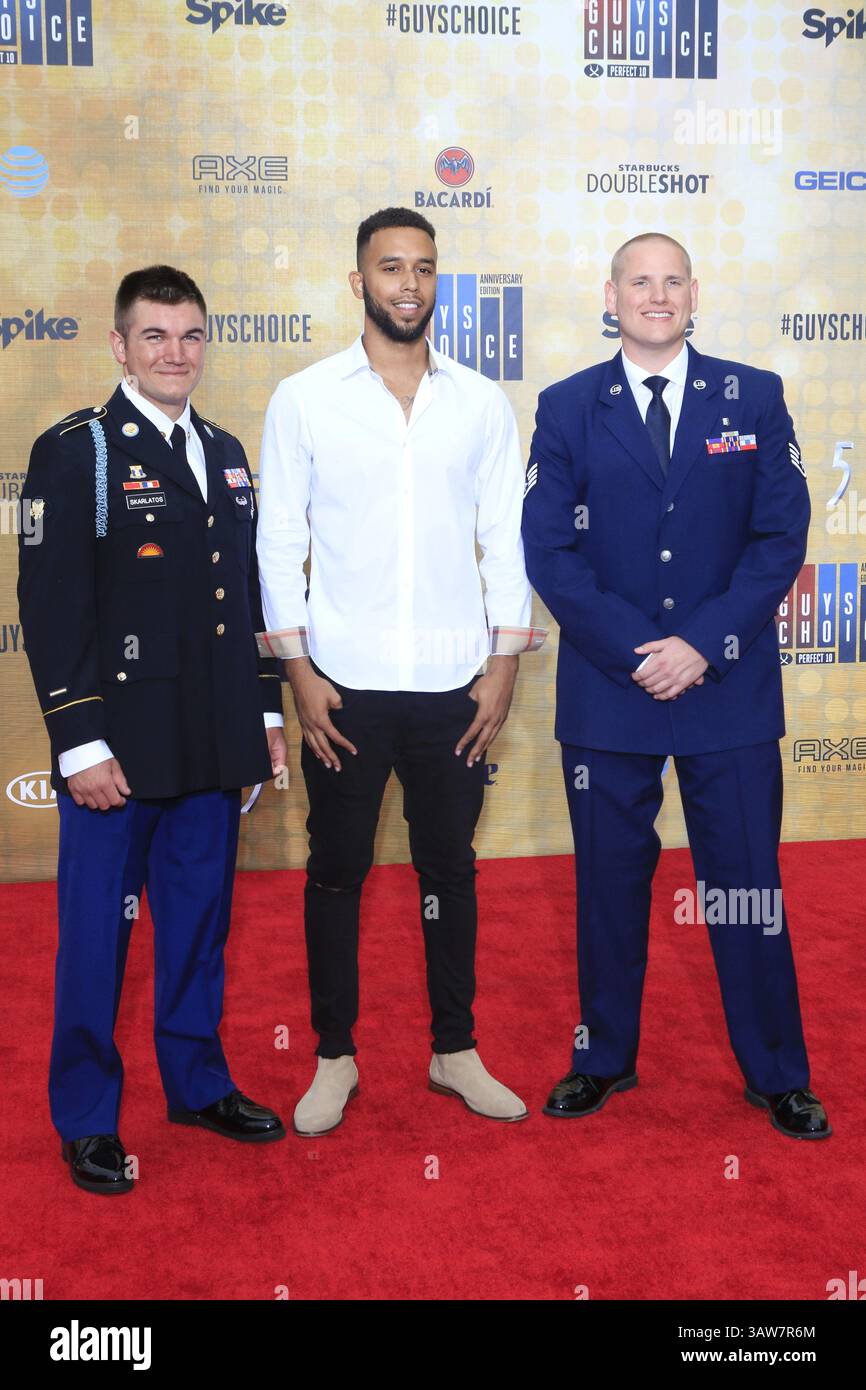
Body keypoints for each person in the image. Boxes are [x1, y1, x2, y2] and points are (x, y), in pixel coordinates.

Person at [521, 232, 830, 1139]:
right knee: (608, 885)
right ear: (609, 295)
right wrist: (637, 649)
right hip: (609, 693)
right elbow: (551, 550)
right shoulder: (568, 406)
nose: (656, 296)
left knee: (744, 887)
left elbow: (780, 538)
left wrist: (700, 643)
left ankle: (778, 1072)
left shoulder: (755, 397)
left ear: (694, 294)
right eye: (638, 282)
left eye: (671, 282)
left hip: (725, 687)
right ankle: (602, 1058)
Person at [256, 207, 544, 1136]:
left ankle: (453, 1049)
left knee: (447, 869)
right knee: (336, 873)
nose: (409, 284)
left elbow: (506, 538)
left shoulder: (482, 402)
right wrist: (297, 668)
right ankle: (333, 1057)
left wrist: (502, 662)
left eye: (424, 267)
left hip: (456, 685)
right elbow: (279, 541)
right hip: (341, 684)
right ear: (358, 283)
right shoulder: (304, 398)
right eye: (390, 268)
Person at [18, 265, 289, 1195]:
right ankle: (87, 1117)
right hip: (117, 753)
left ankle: (197, 1084)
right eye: (155, 337)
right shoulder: (79, 451)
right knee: (97, 938)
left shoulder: (224, 449)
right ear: (119, 346)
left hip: (210, 743)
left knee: (201, 927)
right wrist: (78, 742)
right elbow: (49, 607)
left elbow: (246, 596)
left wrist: (260, 717)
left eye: (190, 336)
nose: (176, 354)